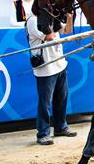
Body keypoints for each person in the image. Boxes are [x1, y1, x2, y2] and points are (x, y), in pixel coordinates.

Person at [25, 11, 77, 145]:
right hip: (45, 67)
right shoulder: (33, 20)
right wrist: (54, 24)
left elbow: (67, 30)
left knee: (62, 98)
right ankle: (43, 133)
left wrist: (69, 18)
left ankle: (61, 127)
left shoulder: (51, 18)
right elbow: (49, 37)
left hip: (60, 63)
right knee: (45, 102)